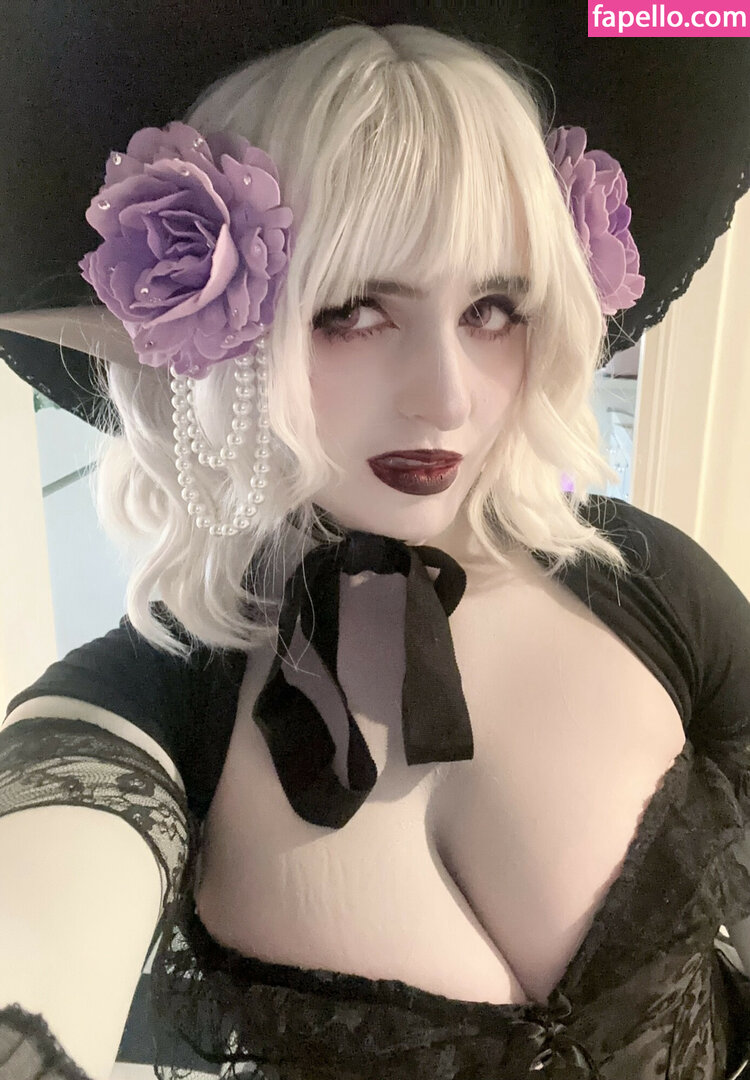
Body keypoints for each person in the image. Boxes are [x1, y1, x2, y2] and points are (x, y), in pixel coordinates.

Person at [0, 10, 749, 1080]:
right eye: (351, 311)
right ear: (219, 333)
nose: (447, 396)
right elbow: (40, 896)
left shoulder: (651, 584)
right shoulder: (153, 700)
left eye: (494, 307)